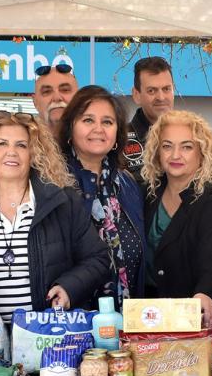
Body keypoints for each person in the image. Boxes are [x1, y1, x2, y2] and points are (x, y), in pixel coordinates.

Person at [0, 112, 110, 318]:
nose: (11, 152)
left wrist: (68, 288)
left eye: (21, 145)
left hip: (45, 335)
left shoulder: (62, 201)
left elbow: (98, 259)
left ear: (33, 154)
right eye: (2, 144)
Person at [138, 110, 212, 328]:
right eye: (167, 146)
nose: (175, 155)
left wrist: (206, 293)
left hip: (199, 321)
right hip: (153, 319)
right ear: (157, 152)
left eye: (186, 147)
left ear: (202, 153)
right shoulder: (147, 194)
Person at [58, 86, 146, 303]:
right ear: (71, 128)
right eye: (88, 120)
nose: (98, 129)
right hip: (74, 319)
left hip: (128, 318)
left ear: (117, 133)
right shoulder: (55, 183)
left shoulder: (127, 184)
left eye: (107, 122)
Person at [124, 56, 174, 173]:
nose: (161, 97)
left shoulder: (192, 134)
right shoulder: (118, 139)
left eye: (166, 89)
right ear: (136, 95)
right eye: (152, 90)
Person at [32, 62, 78, 136]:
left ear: (78, 97)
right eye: (47, 91)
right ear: (35, 102)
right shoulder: (22, 143)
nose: (56, 98)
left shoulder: (96, 142)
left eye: (65, 90)